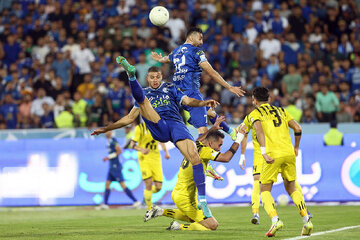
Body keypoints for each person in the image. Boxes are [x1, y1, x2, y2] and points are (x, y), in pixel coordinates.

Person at [92, 57, 221, 218]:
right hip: (158, 124)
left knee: (195, 157)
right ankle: (131, 75)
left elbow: (187, 100)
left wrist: (203, 103)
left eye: (157, 77)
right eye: (152, 77)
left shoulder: (171, 88)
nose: (155, 80)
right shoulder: (145, 92)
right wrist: (106, 128)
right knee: (143, 102)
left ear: (161, 77)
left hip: (176, 125)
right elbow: (128, 119)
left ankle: (203, 201)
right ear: (147, 78)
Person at [143, 117, 246, 230]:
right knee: (212, 225)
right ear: (211, 143)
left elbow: (201, 138)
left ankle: (160, 211)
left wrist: (212, 128)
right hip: (184, 196)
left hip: (182, 193)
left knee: (194, 219)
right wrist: (239, 139)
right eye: (219, 145)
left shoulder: (195, 144)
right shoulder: (205, 151)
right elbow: (226, 158)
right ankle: (178, 227)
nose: (219, 149)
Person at [241, 87, 313, 237]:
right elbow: (298, 128)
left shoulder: (255, 114)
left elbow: (258, 132)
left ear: (254, 100)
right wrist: (296, 147)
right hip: (288, 153)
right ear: (269, 99)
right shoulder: (282, 111)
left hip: (272, 155)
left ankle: (275, 220)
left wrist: (263, 152)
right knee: (292, 188)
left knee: (265, 190)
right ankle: (307, 221)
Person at [151, 27, 245, 139]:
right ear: (191, 37)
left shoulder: (176, 51)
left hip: (177, 95)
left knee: (209, 112)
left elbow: (167, 58)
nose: (202, 42)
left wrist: (160, 59)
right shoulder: (196, 51)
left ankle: (231, 132)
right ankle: (194, 156)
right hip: (191, 93)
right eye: (200, 38)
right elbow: (211, 72)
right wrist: (229, 87)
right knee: (203, 132)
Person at [130, 121, 170, 210]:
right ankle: (149, 208)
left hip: (156, 159)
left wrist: (166, 152)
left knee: (159, 187)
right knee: (148, 183)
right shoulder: (139, 128)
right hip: (144, 159)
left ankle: (146, 194)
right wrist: (141, 149)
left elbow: (161, 141)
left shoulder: (156, 127)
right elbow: (132, 144)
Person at [97, 130, 140, 209]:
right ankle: (105, 204)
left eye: (107, 131)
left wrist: (108, 157)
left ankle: (136, 201)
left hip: (116, 167)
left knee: (122, 185)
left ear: (110, 132)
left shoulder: (113, 141)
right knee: (107, 184)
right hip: (111, 167)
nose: (106, 133)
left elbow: (119, 151)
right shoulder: (109, 141)